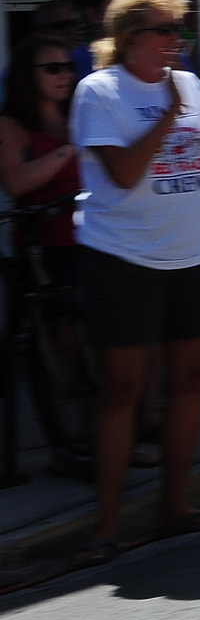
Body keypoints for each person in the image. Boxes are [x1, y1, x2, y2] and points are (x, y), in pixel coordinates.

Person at [70, 0, 200, 564]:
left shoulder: (190, 84)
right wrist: (170, 116)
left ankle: (173, 505)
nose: (177, 40)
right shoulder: (99, 91)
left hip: (189, 254)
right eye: (165, 30)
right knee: (123, 390)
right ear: (130, 39)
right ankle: (105, 525)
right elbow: (124, 173)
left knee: (192, 381)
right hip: (122, 255)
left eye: (180, 30)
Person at [1, 35, 89, 469]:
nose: (63, 76)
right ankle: (64, 446)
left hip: (93, 241)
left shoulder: (79, 114)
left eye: (67, 67)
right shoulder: (13, 125)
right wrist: (68, 150)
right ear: (27, 76)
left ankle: (106, 436)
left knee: (104, 343)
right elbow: (15, 183)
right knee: (59, 350)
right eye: (51, 68)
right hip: (46, 251)